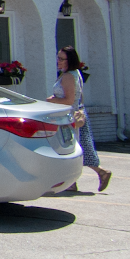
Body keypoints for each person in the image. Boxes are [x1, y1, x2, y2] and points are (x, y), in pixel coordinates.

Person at [49, 45, 112, 192]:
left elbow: (69, 100)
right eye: (58, 58)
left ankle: (74, 181)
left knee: (70, 149)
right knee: (80, 148)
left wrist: (50, 100)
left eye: (61, 59)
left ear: (69, 60)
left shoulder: (69, 76)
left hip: (70, 118)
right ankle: (76, 181)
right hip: (76, 116)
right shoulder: (73, 73)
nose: (58, 61)